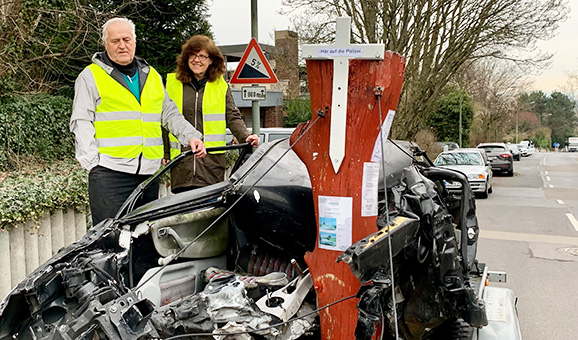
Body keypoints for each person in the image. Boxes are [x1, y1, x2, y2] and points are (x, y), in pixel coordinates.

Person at [70, 17, 207, 226]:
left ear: (135, 41)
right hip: (110, 173)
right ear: (105, 44)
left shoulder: (150, 75)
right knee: (111, 239)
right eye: (115, 41)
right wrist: (92, 164)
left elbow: (169, 113)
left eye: (126, 39)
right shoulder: (90, 76)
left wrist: (191, 137)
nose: (122, 45)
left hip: (148, 174)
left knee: (145, 239)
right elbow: (81, 121)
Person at [164, 35, 259, 193]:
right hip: (182, 164)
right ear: (186, 58)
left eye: (202, 56)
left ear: (211, 60)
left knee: (208, 211)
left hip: (211, 165)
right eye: (192, 55)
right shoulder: (172, 83)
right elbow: (165, 119)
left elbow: (232, 116)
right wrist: (165, 152)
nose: (197, 60)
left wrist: (245, 136)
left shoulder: (220, 85)